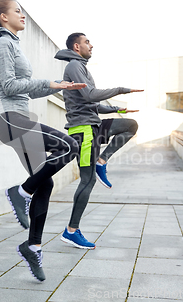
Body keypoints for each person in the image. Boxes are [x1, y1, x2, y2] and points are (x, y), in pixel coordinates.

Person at [0, 0, 85, 281]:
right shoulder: (2, 44)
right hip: (10, 119)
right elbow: (9, 86)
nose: (22, 15)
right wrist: (50, 82)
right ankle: (20, 192)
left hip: (20, 117)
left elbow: (27, 91)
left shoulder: (12, 43)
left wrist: (56, 86)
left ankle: (32, 246)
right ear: (3, 17)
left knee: (46, 182)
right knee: (70, 145)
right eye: (17, 11)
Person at [54, 33, 143, 249]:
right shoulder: (74, 65)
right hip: (83, 131)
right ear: (77, 46)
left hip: (92, 126)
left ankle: (102, 162)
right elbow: (91, 96)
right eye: (87, 42)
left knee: (130, 125)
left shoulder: (81, 67)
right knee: (87, 180)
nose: (91, 45)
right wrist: (121, 90)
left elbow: (93, 105)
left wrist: (117, 109)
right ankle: (71, 231)